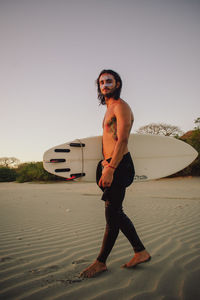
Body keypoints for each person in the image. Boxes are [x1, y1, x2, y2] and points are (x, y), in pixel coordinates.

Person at [80, 69, 151, 278]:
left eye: (109, 81)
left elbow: (123, 140)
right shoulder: (109, 108)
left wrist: (110, 168)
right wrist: (105, 160)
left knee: (112, 216)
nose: (104, 85)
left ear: (118, 83)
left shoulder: (120, 106)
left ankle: (101, 262)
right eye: (101, 82)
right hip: (111, 163)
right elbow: (110, 140)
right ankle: (140, 252)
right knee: (115, 213)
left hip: (118, 166)